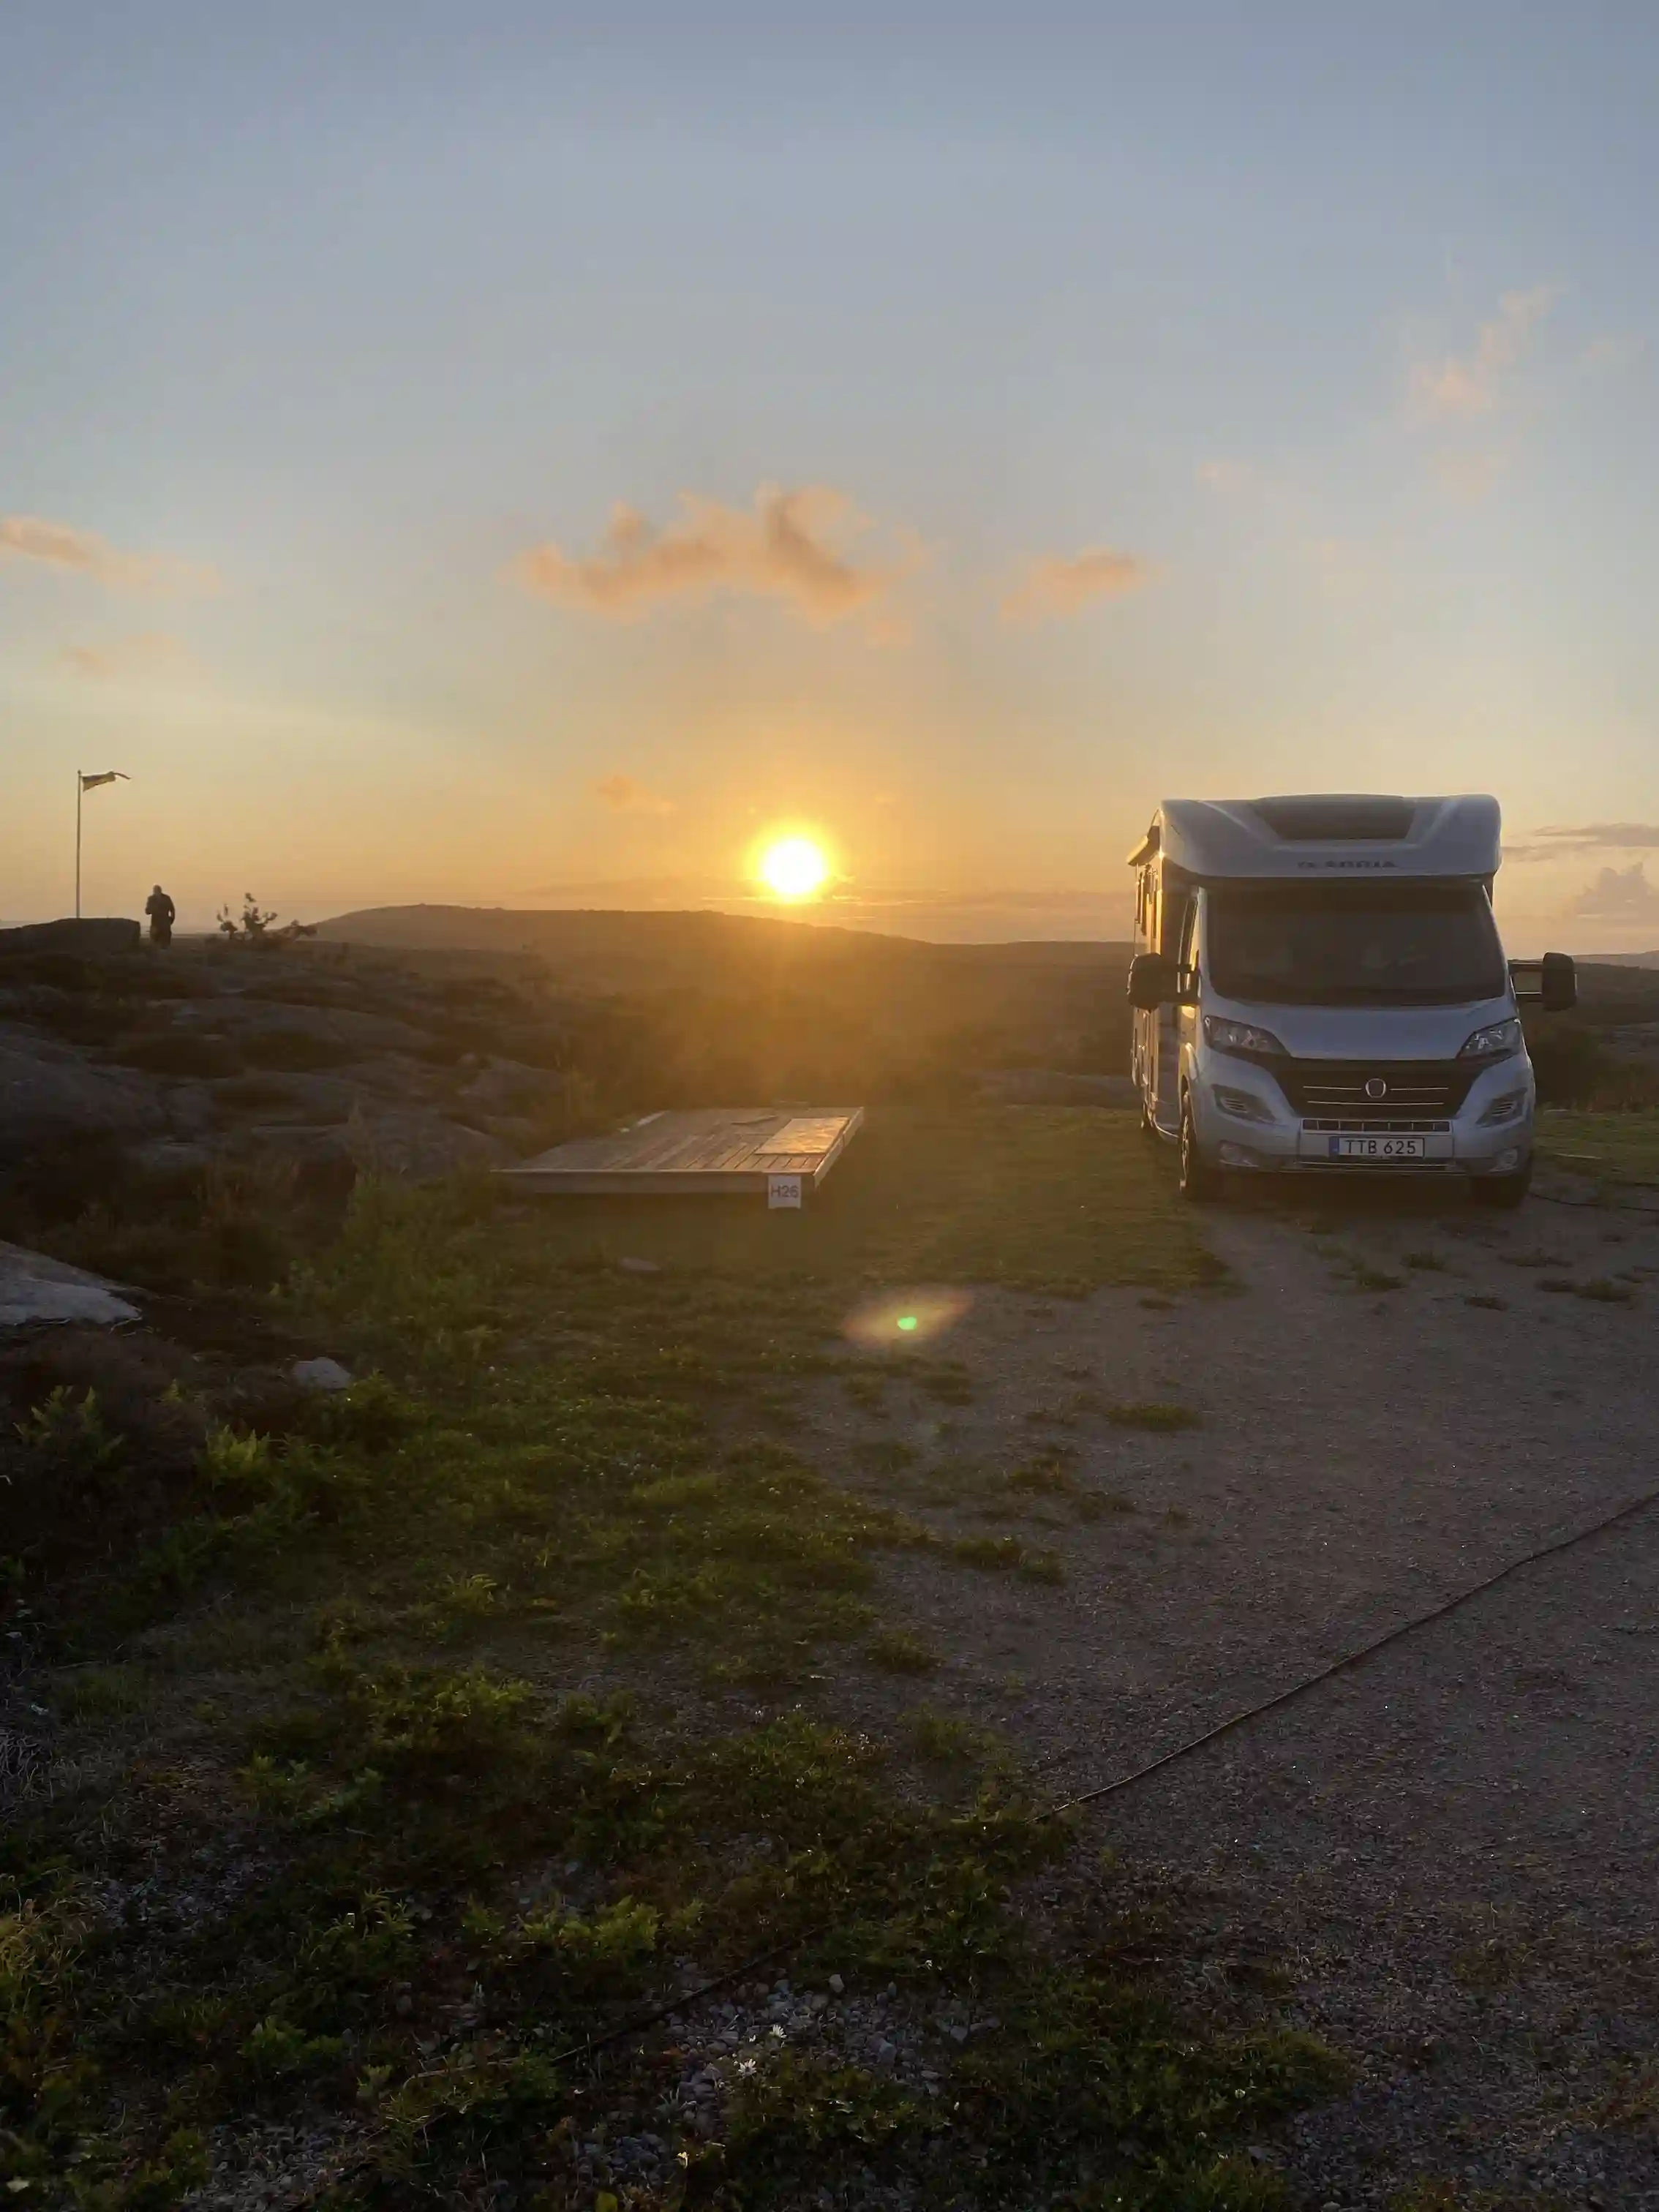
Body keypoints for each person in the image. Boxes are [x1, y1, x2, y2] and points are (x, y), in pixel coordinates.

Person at [144, 884, 176, 948]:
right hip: (156, 924)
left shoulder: (166, 898)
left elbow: (172, 909)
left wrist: (172, 919)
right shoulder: (151, 899)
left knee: (165, 943)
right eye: (156, 891)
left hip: (164, 924)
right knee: (154, 943)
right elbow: (147, 911)